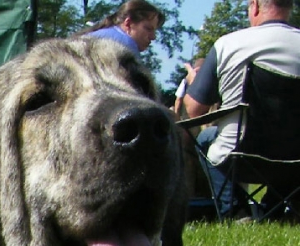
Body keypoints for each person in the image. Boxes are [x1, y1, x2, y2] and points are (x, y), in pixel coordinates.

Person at [184, 0, 300, 219]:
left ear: (255, 5)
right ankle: (273, 211)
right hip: (295, 160)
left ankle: (236, 212)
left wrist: (195, 82)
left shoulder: (228, 44)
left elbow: (193, 110)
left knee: (207, 137)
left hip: (239, 154)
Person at [84, 0, 165, 57]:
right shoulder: (125, 47)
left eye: (154, 31)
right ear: (128, 23)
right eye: (148, 29)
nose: (153, 37)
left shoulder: (90, 37)